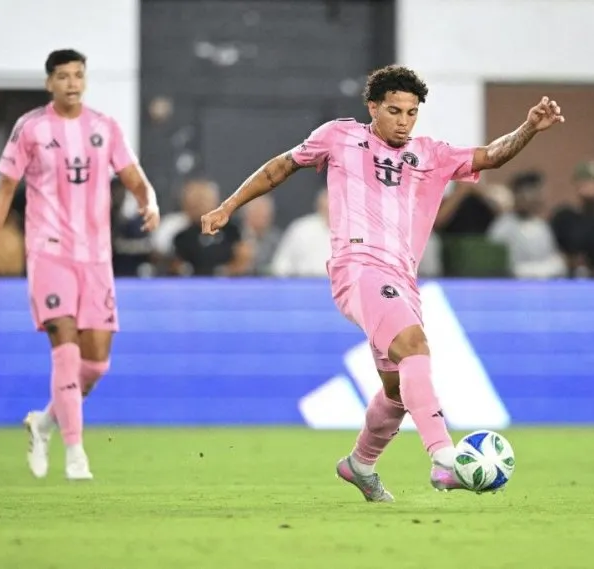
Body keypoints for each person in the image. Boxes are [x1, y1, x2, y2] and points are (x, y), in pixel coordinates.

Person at [201, 65, 564, 501]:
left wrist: (529, 127)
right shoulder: (339, 136)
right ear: (373, 107)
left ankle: (360, 463)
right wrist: (228, 206)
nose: (404, 122)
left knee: (397, 392)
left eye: (412, 113)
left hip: (402, 278)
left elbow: (492, 155)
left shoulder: (432, 154)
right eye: (394, 111)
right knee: (414, 346)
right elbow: (280, 167)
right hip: (358, 267)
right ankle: (444, 456)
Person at [0, 49, 160, 480]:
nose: (72, 83)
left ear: (85, 80)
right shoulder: (31, 129)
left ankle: (44, 423)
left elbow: (134, 177)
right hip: (49, 253)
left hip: (96, 259)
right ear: (49, 83)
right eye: (63, 76)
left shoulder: (104, 127)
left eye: (78, 75)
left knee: (96, 364)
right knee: (65, 346)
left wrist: (148, 201)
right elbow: (4, 191)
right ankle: (76, 453)